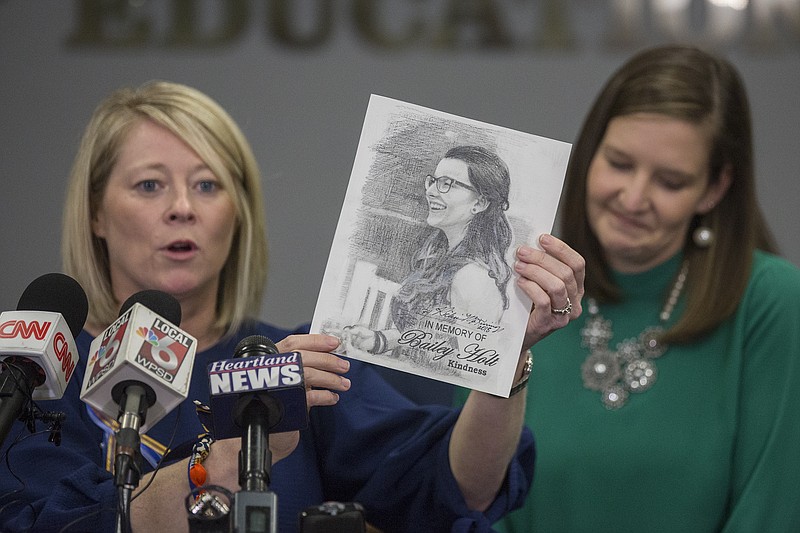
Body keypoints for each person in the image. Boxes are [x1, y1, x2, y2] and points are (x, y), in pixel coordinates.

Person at [0, 80, 585, 533]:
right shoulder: (33, 372)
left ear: (239, 213)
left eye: (207, 185)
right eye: (150, 185)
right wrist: (226, 457)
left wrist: (503, 359)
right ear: (97, 213)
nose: (183, 208)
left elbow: (457, 490)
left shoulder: (296, 360)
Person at [463, 45, 800, 532]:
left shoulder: (773, 303)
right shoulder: (514, 286)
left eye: (670, 181)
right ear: (590, 154)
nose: (634, 198)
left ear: (714, 188)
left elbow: (774, 512)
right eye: (619, 164)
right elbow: (470, 502)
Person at [342, 145, 514, 356]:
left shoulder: (472, 279)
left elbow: (475, 374)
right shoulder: (440, 256)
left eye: (447, 184)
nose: (430, 191)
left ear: (479, 203)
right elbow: (430, 336)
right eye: (433, 181)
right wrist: (379, 341)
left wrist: (364, 361)